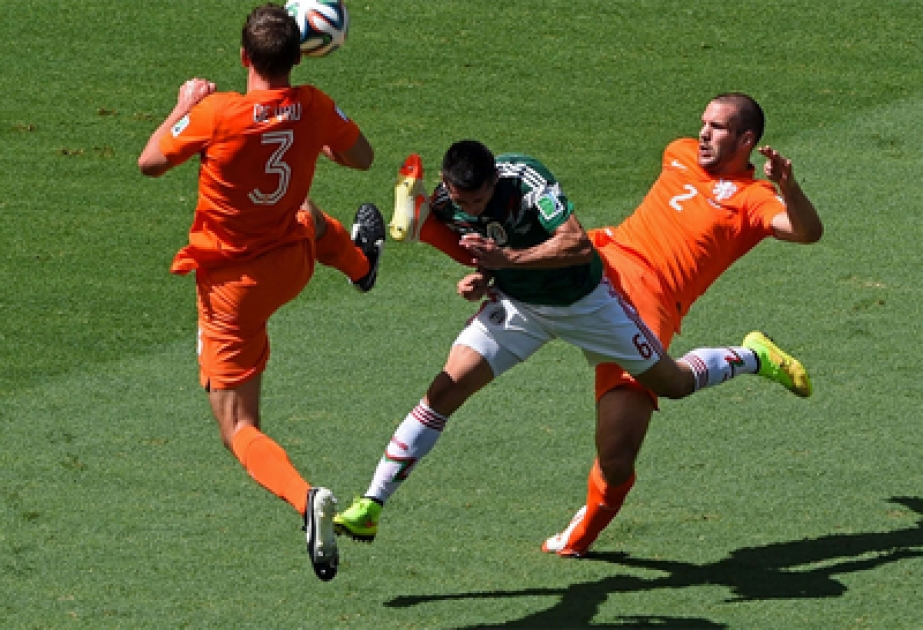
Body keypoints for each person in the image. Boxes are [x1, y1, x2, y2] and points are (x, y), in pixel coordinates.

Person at [332, 127, 813, 545]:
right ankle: (372, 504)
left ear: (494, 181)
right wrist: (484, 277)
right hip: (520, 306)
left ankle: (750, 355)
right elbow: (481, 242)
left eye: (477, 200)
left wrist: (505, 263)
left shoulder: (528, 179)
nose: (469, 207)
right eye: (460, 201)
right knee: (444, 390)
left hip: (590, 304)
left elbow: (577, 245)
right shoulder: (448, 198)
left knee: (674, 384)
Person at [137, 3, 385, 581]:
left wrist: (185, 103)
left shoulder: (217, 114)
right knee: (304, 211)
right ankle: (357, 265)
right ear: (301, 55)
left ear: (244, 57)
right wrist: (319, 138)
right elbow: (363, 157)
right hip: (292, 265)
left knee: (239, 427)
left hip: (233, 290)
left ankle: (305, 499)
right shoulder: (316, 106)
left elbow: (150, 162)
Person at [541, 92, 823, 557]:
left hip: (649, 307)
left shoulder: (755, 201)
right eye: (703, 123)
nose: (703, 134)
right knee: (514, 267)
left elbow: (808, 232)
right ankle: (432, 221)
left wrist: (789, 188)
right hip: (604, 260)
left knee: (617, 455)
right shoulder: (679, 153)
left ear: (747, 139)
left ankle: (580, 536)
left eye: (717, 128)